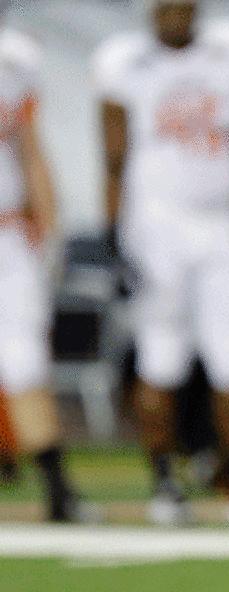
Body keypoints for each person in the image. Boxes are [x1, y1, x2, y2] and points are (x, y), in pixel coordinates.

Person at [94, 0, 229, 526]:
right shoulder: (124, 63)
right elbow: (112, 156)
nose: (173, 14)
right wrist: (113, 235)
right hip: (156, 226)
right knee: (162, 356)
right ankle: (163, 480)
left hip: (221, 223)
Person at [0, 13, 91, 522]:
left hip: (9, 234)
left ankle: (57, 489)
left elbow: (32, 154)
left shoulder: (12, 64)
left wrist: (50, 233)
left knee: (25, 360)